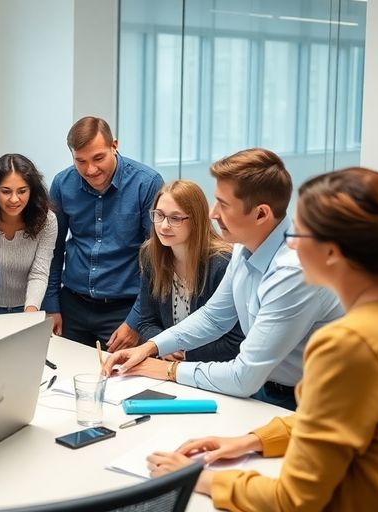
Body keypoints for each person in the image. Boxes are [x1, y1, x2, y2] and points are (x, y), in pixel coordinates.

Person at [146, 167, 378, 511]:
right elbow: (340, 416)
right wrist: (253, 441)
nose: (291, 243)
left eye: (301, 234)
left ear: (332, 252)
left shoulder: (346, 343)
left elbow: (293, 501)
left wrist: (199, 478)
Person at [103, 148, 343, 410]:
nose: (213, 214)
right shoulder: (246, 245)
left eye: (223, 205)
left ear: (261, 214)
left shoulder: (293, 272)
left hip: (315, 400)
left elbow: (243, 377)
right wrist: (150, 347)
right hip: (269, 390)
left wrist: (166, 369)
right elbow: (214, 317)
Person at [44, 116, 164, 350]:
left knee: (121, 383)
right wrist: (51, 304)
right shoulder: (62, 183)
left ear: (114, 146)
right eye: (81, 161)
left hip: (124, 309)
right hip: (72, 305)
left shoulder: (146, 183)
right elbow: (53, 249)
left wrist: (136, 321)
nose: (91, 169)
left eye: (98, 158)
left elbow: (157, 260)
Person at [136, 180, 244, 362]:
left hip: (213, 369)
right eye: (159, 215)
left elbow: (236, 340)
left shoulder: (222, 263)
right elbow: (146, 321)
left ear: (196, 220)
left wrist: (186, 355)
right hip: (167, 364)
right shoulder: (151, 254)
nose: (163, 226)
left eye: (175, 218)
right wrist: (163, 346)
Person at [0, 153, 57, 314]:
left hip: (26, 307)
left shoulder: (47, 220)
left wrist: (30, 313)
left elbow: (39, 272)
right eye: (6, 191)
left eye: (22, 191)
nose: (14, 199)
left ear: (32, 191)